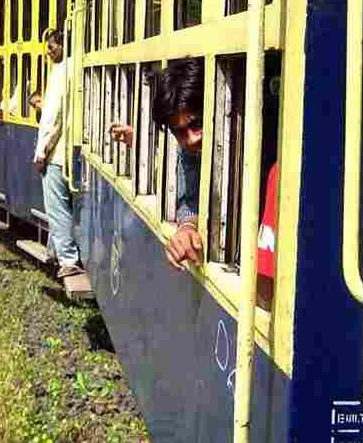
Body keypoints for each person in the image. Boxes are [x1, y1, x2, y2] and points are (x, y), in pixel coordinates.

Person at [109, 58, 277, 308]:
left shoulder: (267, 144)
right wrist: (187, 226)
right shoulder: (191, 149)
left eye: (196, 124)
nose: (190, 140)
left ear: (221, 107)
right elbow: (190, 195)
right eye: (179, 132)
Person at [34, 30, 82, 279]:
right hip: (77, 151)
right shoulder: (83, 64)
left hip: (58, 154)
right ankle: (57, 251)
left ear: (63, 45)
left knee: (57, 207)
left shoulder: (60, 71)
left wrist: (42, 151)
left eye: (52, 48)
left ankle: (67, 259)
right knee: (71, 209)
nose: (49, 53)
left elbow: (54, 116)